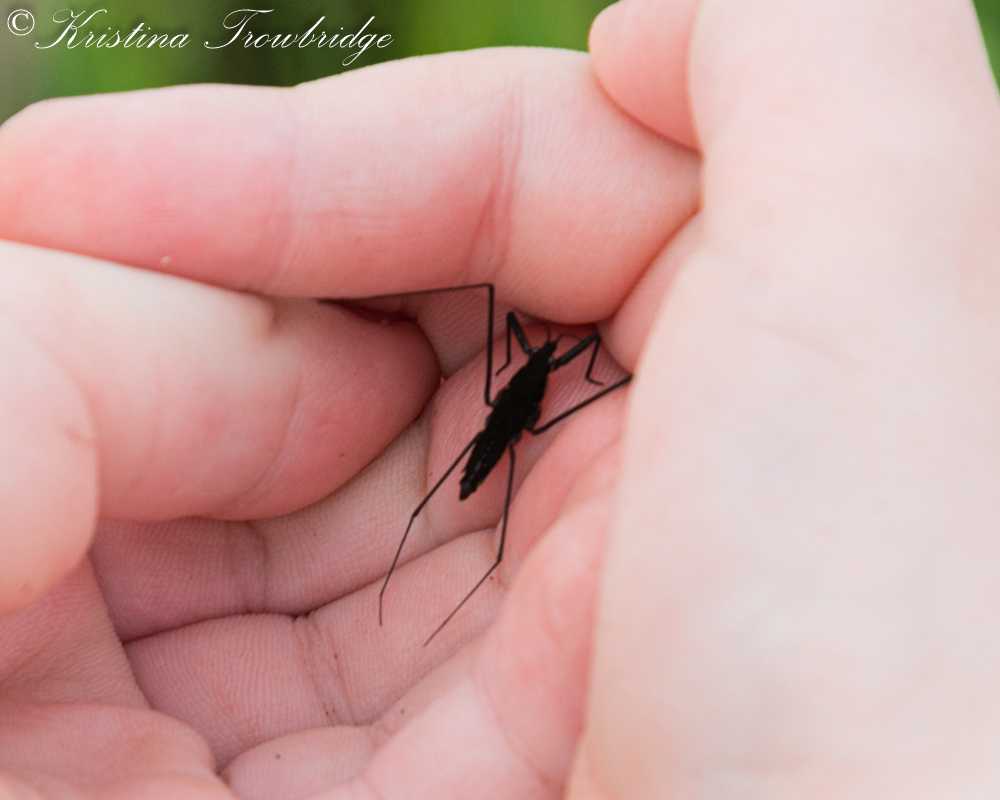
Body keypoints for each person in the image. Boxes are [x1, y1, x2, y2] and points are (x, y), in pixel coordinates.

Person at [1, 0, 998, 796]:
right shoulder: (548, 375)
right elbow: (571, 375)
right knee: (492, 464)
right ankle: (412, 578)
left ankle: (424, 581)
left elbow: (554, 378)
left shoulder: (535, 377)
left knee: (497, 474)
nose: (553, 358)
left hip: (496, 433)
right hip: (494, 435)